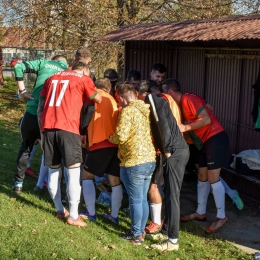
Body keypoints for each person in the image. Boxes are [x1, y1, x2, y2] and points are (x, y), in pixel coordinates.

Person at [38, 61, 101, 227]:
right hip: (69, 129)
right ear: (85, 71)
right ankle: (73, 215)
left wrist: (42, 132)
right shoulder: (83, 79)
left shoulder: (51, 78)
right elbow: (98, 99)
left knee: (53, 171)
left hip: (49, 128)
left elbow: (40, 106)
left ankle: (60, 209)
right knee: (73, 173)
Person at [162, 78, 230, 233]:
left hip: (215, 138)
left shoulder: (188, 98)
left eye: (165, 95)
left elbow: (205, 119)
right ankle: (200, 212)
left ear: (170, 92)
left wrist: (185, 127)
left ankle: (221, 216)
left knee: (213, 177)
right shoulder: (180, 107)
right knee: (201, 175)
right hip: (203, 142)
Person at [135, 80, 189, 251]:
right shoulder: (157, 101)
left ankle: (172, 241)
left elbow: (163, 126)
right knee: (168, 195)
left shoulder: (153, 98)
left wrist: (166, 151)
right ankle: (166, 232)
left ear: (139, 94)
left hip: (175, 152)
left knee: (173, 197)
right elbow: (159, 127)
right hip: (173, 150)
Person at [13, 55, 69, 193]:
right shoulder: (68, 71)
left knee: (26, 147)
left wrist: (22, 91)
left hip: (32, 113)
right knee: (51, 151)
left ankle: (18, 183)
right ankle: (49, 185)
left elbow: (18, 66)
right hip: (51, 116)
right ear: (64, 62)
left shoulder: (44, 63)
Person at [109, 83, 156, 246]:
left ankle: (136, 235)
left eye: (118, 100)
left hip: (134, 161)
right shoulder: (145, 109)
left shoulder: (127, 111)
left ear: (121, 97)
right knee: (142, 198)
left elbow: (121, 136)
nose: (118, 103)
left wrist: (110, 137)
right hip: (149, 159)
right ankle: (140, 231)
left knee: (136, 199)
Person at [80, 78, 123, 224]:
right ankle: (114, 216)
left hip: (99, 142)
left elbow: (87, 112)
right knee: (115, 181)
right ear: (109, 89)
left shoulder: (93, 95)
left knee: (86, 176)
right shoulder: (112, 100)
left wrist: (83, 131)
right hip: (114, 144)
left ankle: (91, 212)